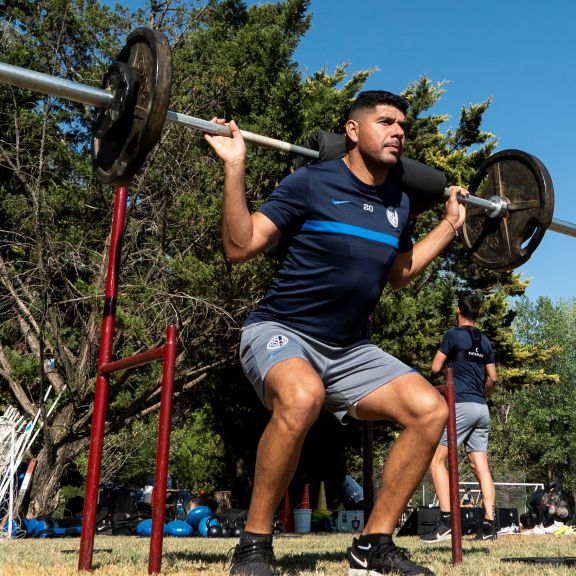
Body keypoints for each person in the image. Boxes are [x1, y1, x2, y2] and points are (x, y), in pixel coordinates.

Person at [204, 90, 468, 576]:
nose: (398, 132)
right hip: (280, 331)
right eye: (386, 122)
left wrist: (450, 225)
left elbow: (400, 273)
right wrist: (235, 165)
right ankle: (254, 544)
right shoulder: (311, 182)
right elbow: (239, 246)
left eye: (403, 126)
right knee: (303, 396)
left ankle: (372, 546)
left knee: (431, 410)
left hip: (349, 350)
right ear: (352, 130)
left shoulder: (398, 200)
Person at [421, 290, 497, 543]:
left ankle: (445, 522)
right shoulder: (485, 341)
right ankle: (489, 525)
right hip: (481, 409)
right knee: (480, 467)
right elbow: (493, 378)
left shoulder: (453, 335)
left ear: (458, 311)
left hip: (460, 405)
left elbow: (434, 367)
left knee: (436, 461)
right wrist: (483, 396)